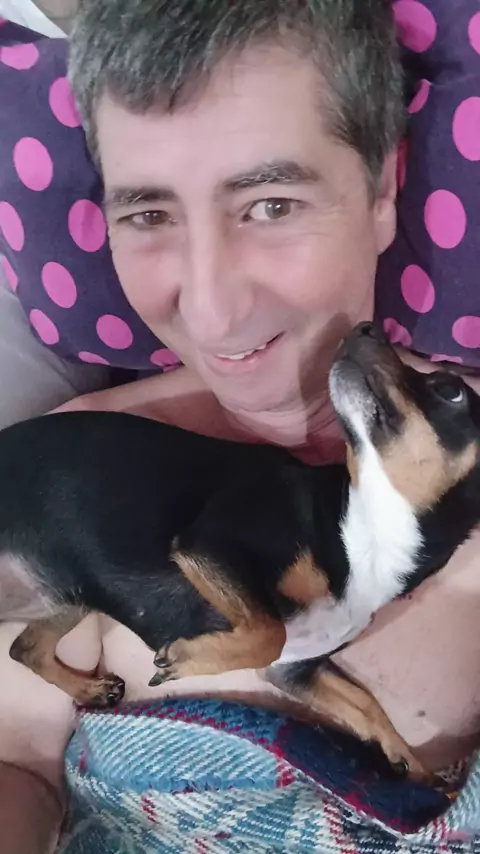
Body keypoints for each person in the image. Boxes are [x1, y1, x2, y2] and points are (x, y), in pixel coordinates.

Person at [0, 0, 479, 849]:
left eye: (271, 204)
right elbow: (20, 762)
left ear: (382, 190)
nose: (212, 312)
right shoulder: (70, 468)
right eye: (149, 215)